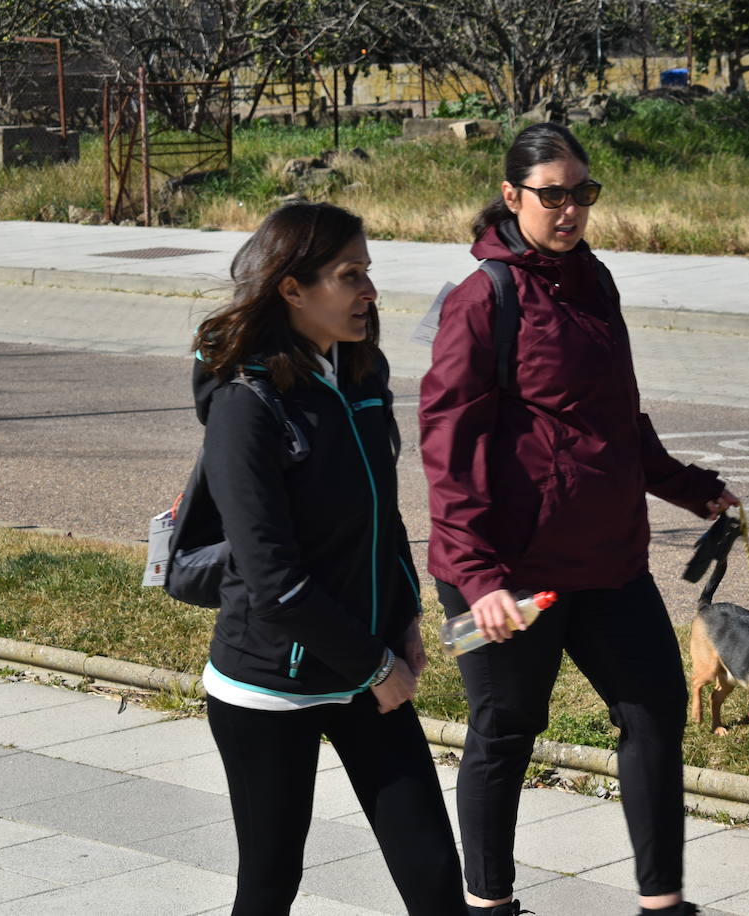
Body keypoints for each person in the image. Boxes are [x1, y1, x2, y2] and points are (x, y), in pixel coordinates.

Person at [419, 123, 739, 916]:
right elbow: (446, 448)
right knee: (504, 730)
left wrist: (687, 486)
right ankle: (489, 905)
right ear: (511, 196)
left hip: (608, 563)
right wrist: (479, 576)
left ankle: (663, 903)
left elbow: (617, 417)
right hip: (505, 578)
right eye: (552, 195)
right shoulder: (481, 299)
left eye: (582, 194)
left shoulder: (594, 280)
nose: (569, 210)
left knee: (656, 713)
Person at [192, 202, 467, 915]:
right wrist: (376, 667)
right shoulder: (245, 404)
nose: (370, 291)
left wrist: (403, 617)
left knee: (436, 878)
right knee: (270, 885)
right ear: (292, 288)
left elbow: (383, 521)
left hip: (366, 667)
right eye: (351, 276)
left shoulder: (360, 380)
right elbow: (271, 577)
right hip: (269, 685)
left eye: (368, 272)